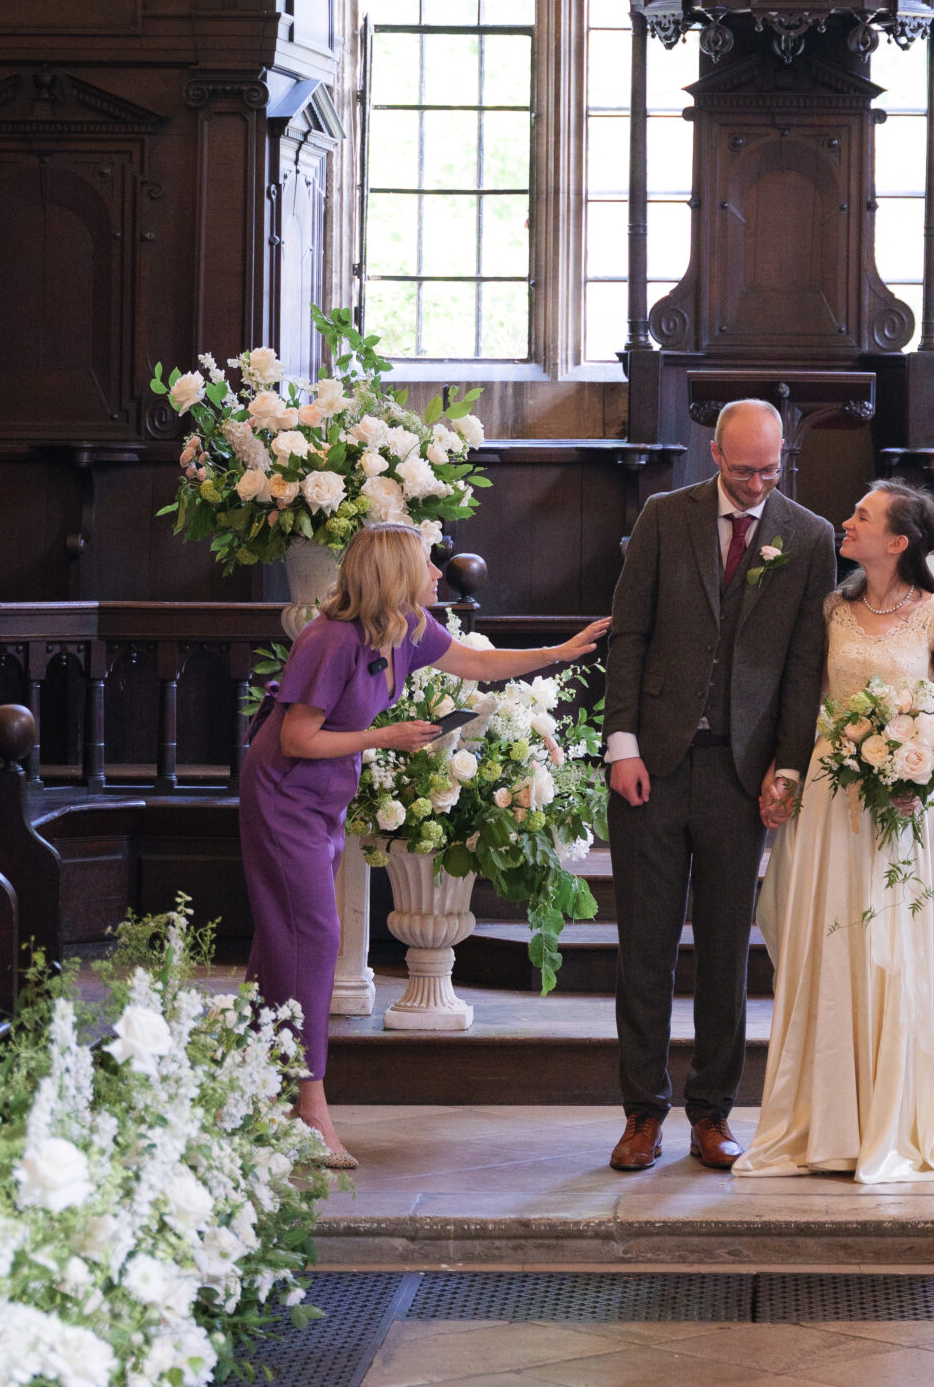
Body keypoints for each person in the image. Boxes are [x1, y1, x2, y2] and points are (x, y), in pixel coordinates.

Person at [239, 517, 610, 1165]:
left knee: (285, 939)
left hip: (323, 795)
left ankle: (250, 1085)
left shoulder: (406, 627)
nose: (439, 573)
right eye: (427, 564)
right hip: (284, 795)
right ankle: (309, 1109)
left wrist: (561, 650)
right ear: (393, 575)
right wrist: (382, 737)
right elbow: (297, 738)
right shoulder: (327, 640)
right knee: (312, 938)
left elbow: (480, 663)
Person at [735, 482, 934, 1185]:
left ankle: (901, 1120)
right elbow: (806, 704)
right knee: (828, 951)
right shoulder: (831, 610)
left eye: (861, 515)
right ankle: (821, 1122)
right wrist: (787, 773)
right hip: (831, 803)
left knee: (891, 956)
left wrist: (914, 773)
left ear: (897, 541)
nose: (847, 519)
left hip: (901, 812)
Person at [603, 399, 837, 1174]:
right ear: (714, 454)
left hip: (744, 774)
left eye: (770, 469)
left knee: (726, 953)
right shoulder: (664, 518)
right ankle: (642, 1113)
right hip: (655, 767)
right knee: (644, 946)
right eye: (744, 470)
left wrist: (789, 765)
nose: (756, 483)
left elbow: (805, 666)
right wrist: (622, 746)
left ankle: (712, 1113)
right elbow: (628, 636)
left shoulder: (807, 537)